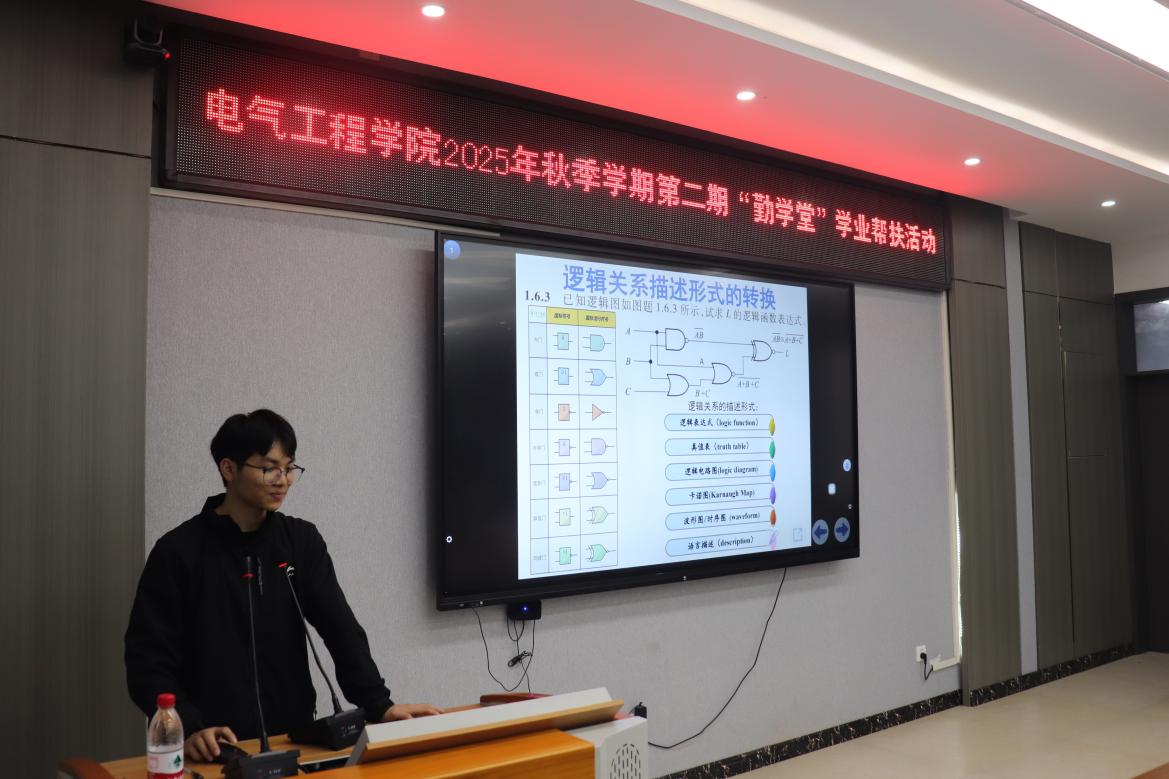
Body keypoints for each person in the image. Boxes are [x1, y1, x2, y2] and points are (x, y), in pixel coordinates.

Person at [125, 409, 440, 762]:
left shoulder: (300, 542)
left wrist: (380, 705)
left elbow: (341, 630)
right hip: (215, 747)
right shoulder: (178, 552)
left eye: (289, 468)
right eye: (268, 468)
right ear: (228, 469)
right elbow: (147, 659)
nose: (283, 480)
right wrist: (188, 725)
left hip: (294, 741)